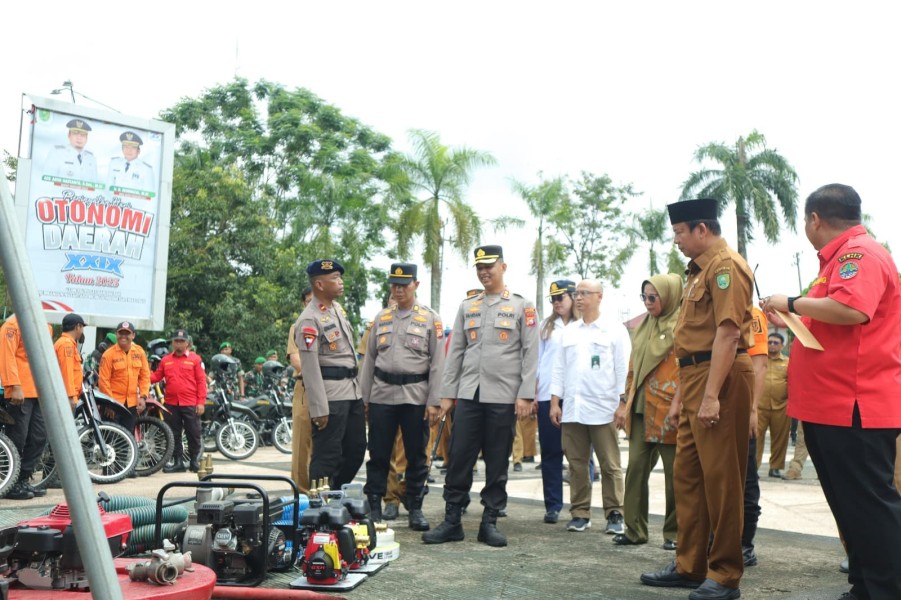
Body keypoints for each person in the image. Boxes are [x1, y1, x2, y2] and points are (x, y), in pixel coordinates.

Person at [761, 183, 901, 600]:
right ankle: (866, 585)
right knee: (850, 507)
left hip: (854, 404)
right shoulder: (837, 261)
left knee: (869, 505)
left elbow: (852, 310)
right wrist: (796, 318)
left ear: (815, 219)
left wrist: (792, 301)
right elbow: (836, 323)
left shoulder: (859, 254)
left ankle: (885, 589)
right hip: (830, 405)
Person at [641, 198, 754, 600]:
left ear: (701, 230)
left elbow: (728, 333)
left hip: (719, 377)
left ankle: (724, 574)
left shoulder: (725, 268)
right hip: (694, 378)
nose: (676, 241)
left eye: (679, 233)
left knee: (722, 480)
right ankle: (690, 565)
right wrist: (683, 398)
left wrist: (710, 397)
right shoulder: (697, 271)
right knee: (687, 475)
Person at [423, 244, 538, 548]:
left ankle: (489, 522)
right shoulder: (468, 306)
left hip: (503, 395)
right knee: (459, 456)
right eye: (479, 267)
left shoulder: (522, 306)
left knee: (497, 460)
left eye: (489, 266)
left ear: (503, 267)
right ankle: (452, 520)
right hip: (469, 394)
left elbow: (531, 352)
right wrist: (447, 394)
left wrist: (526, 394)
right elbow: (456, 353)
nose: (484, 272)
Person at [360, 262, 445, 531]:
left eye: (404, 285)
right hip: (382, 395)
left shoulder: (430, 319)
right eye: (394, 285)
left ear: (416, 285)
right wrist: (364, 398)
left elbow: (438, 363)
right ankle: (375, 505)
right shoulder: (381, 318)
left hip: (415, 397)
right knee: (378, 454)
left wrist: (434, 401)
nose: (398, 290)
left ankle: (415, 507)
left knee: (416, 455)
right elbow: (369, 360)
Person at [550, 279, 629, 535]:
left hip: (603, 408)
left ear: (599, 297)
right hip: (574, 408)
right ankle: (580, 513)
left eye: (585, 293)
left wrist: (623, 403)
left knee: (610, 465)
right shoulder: (569, 332)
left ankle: (615, 512)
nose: (579, 298)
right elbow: (559, 369)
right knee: (576, 464)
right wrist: (555, 402)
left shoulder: (614, 330)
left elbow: (624, 370)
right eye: (577, 293)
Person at [613, 274, 682, 549]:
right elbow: (632, 367)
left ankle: (675, 534)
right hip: (641, 408)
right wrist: (624, 402)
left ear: (670, 297)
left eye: (654, 297)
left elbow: (689, 371)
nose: (648, 302)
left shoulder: (684, 325)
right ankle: (634, 530)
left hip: (669, 410)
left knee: (675, 476)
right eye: (644, 297)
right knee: (636, 470)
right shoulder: (643, 326)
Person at [294, 259, 365, 489]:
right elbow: (309, 367)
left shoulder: (336, 310)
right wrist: (319, 408)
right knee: (327, 454)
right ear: (319, 285)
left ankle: (333, 492)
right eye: (334, 278)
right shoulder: (309, 318)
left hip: (351, 392)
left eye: (340, 277)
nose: (340, 282)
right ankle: (319, 502)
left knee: (356, 450)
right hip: (330, 396)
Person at [535, 279, 578, 524]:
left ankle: (580, 507)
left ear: (573, 297)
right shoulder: (545, 326)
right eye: (552, 299)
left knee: (579, 454)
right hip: (546, 395)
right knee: (550, 453)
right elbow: (537, 362)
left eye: (560, 297)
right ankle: (553, 506)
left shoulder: (582, 325)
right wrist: (532, 394)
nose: (556, 302)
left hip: (575, 395)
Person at [0, 314, 53, 500]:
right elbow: (6, 356)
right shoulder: (12, 325)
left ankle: (22, 479)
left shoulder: (46, 325)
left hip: (40, 390)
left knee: (39, 437)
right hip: (20, 391)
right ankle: (10, 482)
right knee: (18, 438)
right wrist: (14, 385)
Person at [153, 329, 207, 473]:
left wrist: (201, 402)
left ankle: (194, 461)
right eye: (176, 341)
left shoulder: (195, 359)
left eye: (182, 341)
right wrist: (142, 376)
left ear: (187, 343)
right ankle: (178, 462)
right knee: (173, 433)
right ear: (172, 343)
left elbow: (201, 381)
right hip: (171, 403)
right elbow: (156, 376)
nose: (179, 344)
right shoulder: (166, 360)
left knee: (193, 432)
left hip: (190, 403)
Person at [741, 306, 769, 567]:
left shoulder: (752, 315)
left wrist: (752, 409)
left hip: (739, 408)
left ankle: (744, 545)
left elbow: (759, 365)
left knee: (746, 478)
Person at [98, 320, 150, 432]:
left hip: (131, 405)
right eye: (121, 333)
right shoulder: (108, 354)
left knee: (127, 437)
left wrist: (143, 397)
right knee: (110, 437)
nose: (123, 336)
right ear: (116, 334)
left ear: (133, 335)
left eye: (127, 333)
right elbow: (103, 381)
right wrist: (110, 404)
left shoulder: (139, 352)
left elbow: (145, 376)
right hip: (113, 405)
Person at [287, 286, 314, 494]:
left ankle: (324, 490)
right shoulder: (297, 327)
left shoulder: (335, 323)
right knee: (301, 444)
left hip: (333, 389)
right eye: (308, 301)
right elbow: (295, 359)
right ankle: (301, 494)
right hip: (306, 387)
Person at [757, 332, 790, 478]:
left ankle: (775, 467)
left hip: (781, 406)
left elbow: (793, 382)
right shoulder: (760, 360)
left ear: (782, 345)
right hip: (759, 406)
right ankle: (753, 467)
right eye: (769, 342)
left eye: (775, 343)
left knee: (780, 439)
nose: (772, 345)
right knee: (756, 437)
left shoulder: (788, 362)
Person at [54, 313, 85, 410]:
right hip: (65, 397)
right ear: (77, 326)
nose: (82, 331)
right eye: (82, 327)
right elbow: (66, 371)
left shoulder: (67, 343)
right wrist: (70, 396)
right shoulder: (66, 344)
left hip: (65, 395)